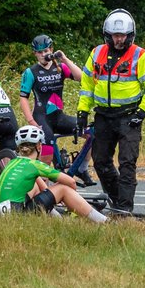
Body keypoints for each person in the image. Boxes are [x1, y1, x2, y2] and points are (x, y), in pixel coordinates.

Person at [76, 9, 145, 213]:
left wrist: (141, 113)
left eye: (123, 35)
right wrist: (82, 112)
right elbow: (87, 85)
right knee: (100, 161)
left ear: (130, 35)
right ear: (107, 35)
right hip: (103, 116)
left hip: (129, 117)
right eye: (115, 35)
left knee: (127, 163)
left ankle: (125, 209)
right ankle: (116, 201)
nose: (119, 40)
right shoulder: (97, 53)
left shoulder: (141, 56)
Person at [0, 125, 107, 222]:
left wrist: (52, 198)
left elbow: (43, 188)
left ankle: (58, 220)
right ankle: (103, 221)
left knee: (35, 186)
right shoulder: (35, 164)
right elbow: (71, 182)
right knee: (63, 188)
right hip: (15, 215)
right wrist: (71, 200)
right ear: (39, 146)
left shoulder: (13, 162)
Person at [19, 34, 92, 183]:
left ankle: (81, 168)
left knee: (91, 134)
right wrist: (31, 121)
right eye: (39, 52)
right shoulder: (30, 72)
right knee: (47, 154)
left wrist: (64, 59)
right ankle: (42, 189)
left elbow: (81, 78)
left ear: (51, 50)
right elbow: (23, 98)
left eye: (46, 51)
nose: (43, 54)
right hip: (42, 118)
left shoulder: (60, 67)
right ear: (35, 54)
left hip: (59, 117)